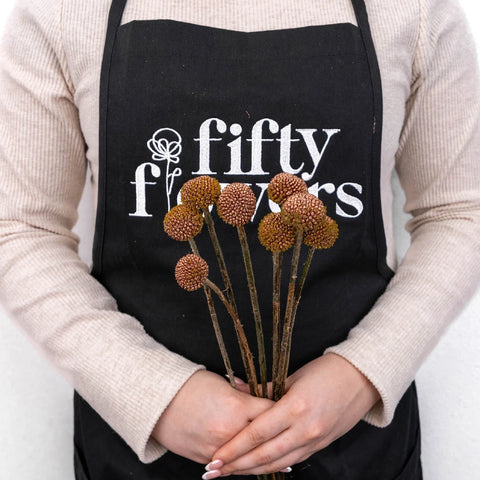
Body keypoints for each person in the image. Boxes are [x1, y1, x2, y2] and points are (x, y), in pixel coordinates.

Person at [1, 0, 479, 479]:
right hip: (140, 454)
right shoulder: (62, 12)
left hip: (354, 446)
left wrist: (363, 372)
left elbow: (459, 211)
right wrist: (152, 393)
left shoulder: (415, 11)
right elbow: (21, 228)